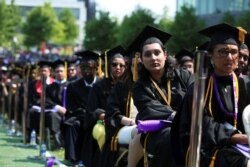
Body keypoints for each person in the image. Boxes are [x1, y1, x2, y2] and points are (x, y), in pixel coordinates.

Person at [179, 23, 250, 167]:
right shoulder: (199, 87)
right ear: (211, 54)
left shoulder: (244, 84)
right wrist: (237, 138)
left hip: (242, 142)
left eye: (234, 52)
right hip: (208, 146)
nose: (230, 57)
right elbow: (203, 124)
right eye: (223, 51)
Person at [130, 25, 194, 167]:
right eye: (147, 54)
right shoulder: (139, 87)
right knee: (169, 136)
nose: (153, 58)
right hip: (157, 132)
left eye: (157, 52)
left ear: (165, 55)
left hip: (187, 126)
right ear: (141, 59)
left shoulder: (183, 75)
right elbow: (148, 110)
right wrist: (176, 116)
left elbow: (194, 99)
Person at [85, 45, 126, 167]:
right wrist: (107, 117)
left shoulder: (129, 86)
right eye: (114, 65)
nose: (118, 68)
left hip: (123, 122)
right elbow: (92, 110)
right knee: (102, 133)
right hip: (103, 122)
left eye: (121, 65)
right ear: (108, 66)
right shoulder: (99, 86)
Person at [63, 50, 99, 166]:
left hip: (98, 118)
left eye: (89, 67)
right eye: (83, 68)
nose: (86, 71)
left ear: (96, 68)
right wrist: (85, 114)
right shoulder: (73, 86)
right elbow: (71, 107)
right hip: (80, 117)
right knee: (72, 125)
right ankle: (74, 158)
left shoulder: (102, 85)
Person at [27, 60, 55, 140]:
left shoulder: (54, 83)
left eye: (45, 71)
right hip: (39, 107)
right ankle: (33, 135)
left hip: (51, 107)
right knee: (32, 111)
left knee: (51, 115)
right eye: (41, 71)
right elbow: (32, 98)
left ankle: (52, 137)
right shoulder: (35, 83)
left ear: (49, 72)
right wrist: (37, 102)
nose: (43, 73)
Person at [44, 59, 69, 149]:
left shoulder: (71, 85)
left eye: (61, 71)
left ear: (65, 72)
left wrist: (67, 109)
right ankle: (58, 143)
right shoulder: (50, 87)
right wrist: (57, 107)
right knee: (52, 116)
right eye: (57, 71)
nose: (59, 73)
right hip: (55, 112)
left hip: (69, 111)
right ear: (54, 73)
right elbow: (47, 100)